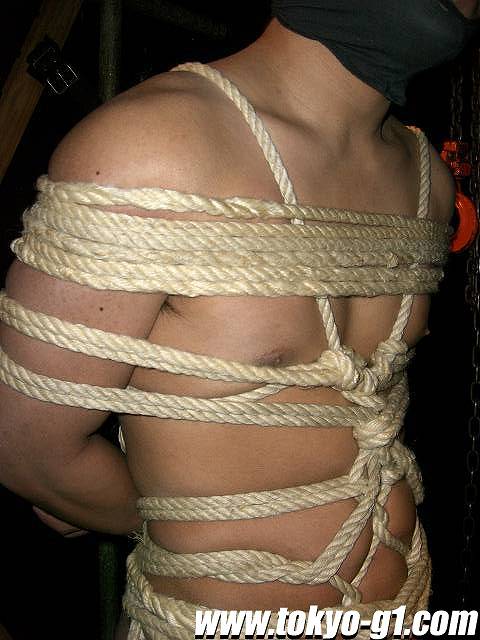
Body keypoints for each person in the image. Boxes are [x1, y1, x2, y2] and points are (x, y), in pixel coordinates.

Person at [0, 1, 478, 638]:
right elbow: (27, 450)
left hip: (405, 609)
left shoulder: (427, 181)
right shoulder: (149, 150)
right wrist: (189, 530)